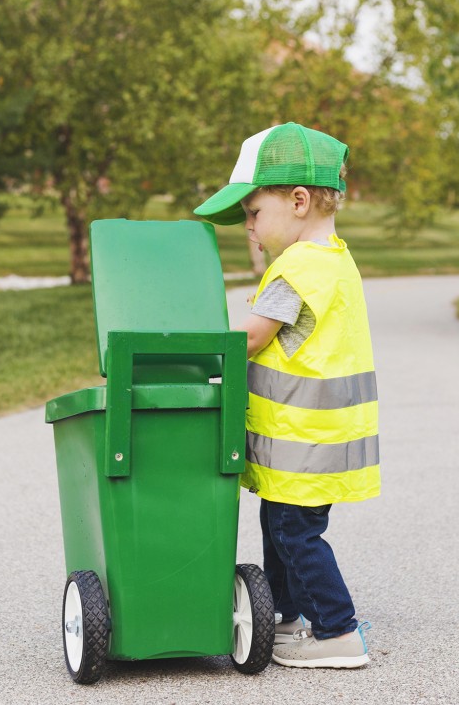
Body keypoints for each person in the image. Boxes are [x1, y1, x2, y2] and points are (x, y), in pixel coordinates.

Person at [193, 122, 379, 669]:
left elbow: (252, 337)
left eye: (253, 213)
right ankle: (288, 617)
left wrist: (196, 360)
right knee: (283, 526)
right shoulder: (336, 259)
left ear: (298, 201)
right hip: (318, 438)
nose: (248, 228)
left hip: (302, 438)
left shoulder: (296, 267)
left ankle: (338, 632)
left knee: (294, 534)